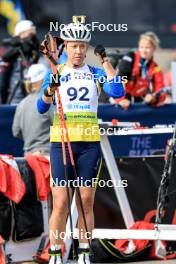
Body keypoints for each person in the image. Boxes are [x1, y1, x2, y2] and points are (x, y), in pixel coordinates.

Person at [37, 19, 124, 264]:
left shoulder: (95, 73)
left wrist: (105, 61)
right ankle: (55, 252)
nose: (78, 51)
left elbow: (118, 92)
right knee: (61, 202)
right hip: (61, 146)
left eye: (82, 46)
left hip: (88, 146)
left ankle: (85, 250)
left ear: (86, 49)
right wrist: (49, 91)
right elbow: (41, 107)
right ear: (66, 47)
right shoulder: (55, 73)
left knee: (85, 201)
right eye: (74, 46)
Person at [116, 31, 171, 109]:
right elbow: (118, 80)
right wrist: (120, 99)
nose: (144, 51)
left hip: (139, 101)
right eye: (141, 47)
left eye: (147, 48)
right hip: (120, 98)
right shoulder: (130, 57)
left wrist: (153, 98)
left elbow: (161, 91)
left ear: (154, 48)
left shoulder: (155, 68)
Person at [12, 63, 52, 157]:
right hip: (47, 156)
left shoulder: (21, 104)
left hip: (28, 157)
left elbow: (16, 132)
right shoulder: (47, 101)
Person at [0, 20, 40, 105]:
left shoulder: (34, 52)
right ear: (21, 34)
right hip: (15, 99)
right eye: (30, 34)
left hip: (31, 97)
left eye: (33, 35)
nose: (33, 38)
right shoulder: (11, 52)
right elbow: (2, 81)